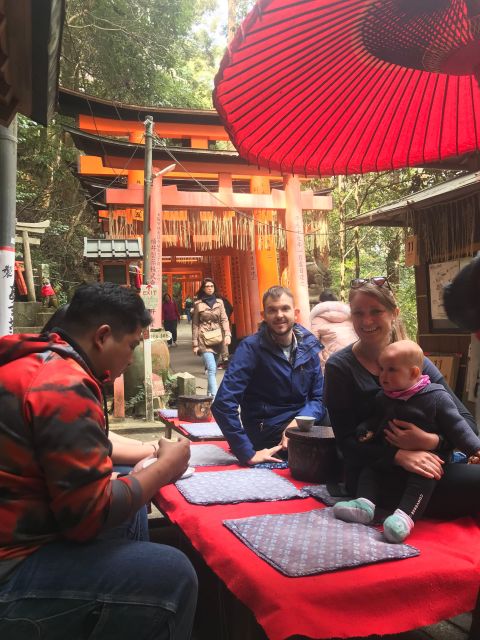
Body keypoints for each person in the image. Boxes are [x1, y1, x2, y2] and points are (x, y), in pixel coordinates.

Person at [0, 282, 197, 639]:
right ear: (103, 336)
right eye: (133, 345)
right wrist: (164, 469)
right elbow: (87, 520)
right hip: (12, 569)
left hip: (23, 529)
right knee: (173, 572)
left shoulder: (36, 361)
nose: (131, 357)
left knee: (123, 482)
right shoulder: (62, 384)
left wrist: (140, 473)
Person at [325, 276, 480, 520]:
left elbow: (466, 424)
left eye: (376, 311)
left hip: (428, 469)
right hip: (374, 477)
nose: (366, 321)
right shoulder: (341, 368)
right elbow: (346, 444)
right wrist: (398, 455)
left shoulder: (415, 363)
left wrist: (430, 441)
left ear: (394, 313)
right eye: (358, 313)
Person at [333, 339, 480, 542]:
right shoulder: (384, 397)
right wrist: (365, 429)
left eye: (391, 370)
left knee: (423, 478)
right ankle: (364, 505)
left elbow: (459, 426)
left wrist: (473, 448)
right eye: (382, 369)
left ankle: (404, 518)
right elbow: (376, 419)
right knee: (372, 471)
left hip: (428, 459)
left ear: (413, 373)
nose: (383, 376)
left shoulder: (436, 397)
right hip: (387, 457)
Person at [212, 285, 325, 465]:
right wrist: (247, 453)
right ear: (264, 316)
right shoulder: (251, 349)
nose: (279, 315)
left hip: (301, 423)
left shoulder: (309, 345)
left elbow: (318, 398)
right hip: (267, 429)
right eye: (272, 310)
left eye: (285, 309)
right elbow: (223, 404)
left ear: (295, 313)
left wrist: (299, 421)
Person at [192, 278, 231, 397]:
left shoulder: (220, 303)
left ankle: (209, 394)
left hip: (218, 338)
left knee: (212, 371)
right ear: (203, 289)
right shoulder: (198, 304)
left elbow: (224, 319)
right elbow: (195, 324)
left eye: (212, 286)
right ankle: (214, 397)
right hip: (204, 339)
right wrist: (195, 344)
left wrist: (228, 334)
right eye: (207, 286)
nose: (210, 288)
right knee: (212, 368)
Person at [310, 289, 357, 372]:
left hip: (334, 362)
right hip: (355, 356)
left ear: (320, 302)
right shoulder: (350, 317)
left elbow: (312, 344)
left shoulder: (317, 320)